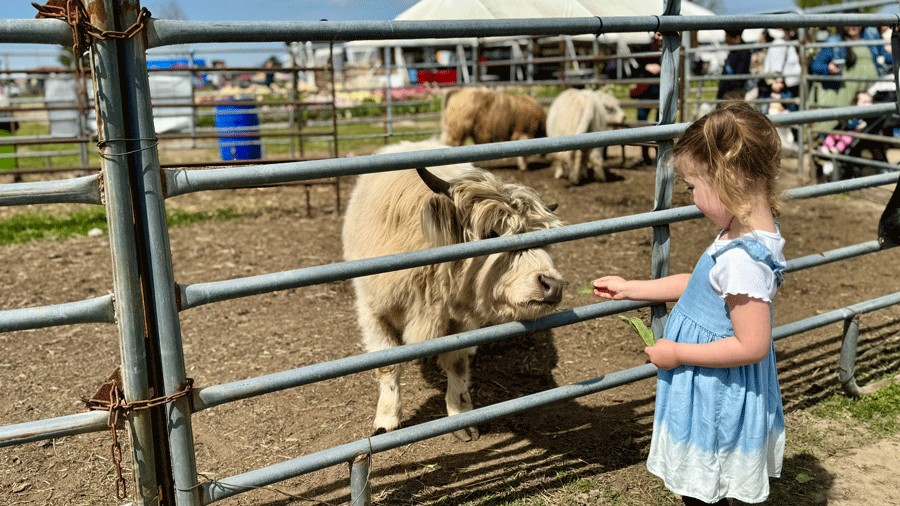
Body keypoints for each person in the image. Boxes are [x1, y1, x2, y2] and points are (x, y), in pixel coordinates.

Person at [593, 101, 786, 506]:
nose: (693, 199)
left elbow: (752, 345)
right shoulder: (742, 236)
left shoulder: (743, 259)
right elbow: (701, 286)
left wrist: (676, 352)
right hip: (710, 379)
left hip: (714, 390)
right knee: (707, 484)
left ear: (727, 176)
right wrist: (633, 288)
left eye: (694, 187)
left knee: (705, 486)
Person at [810, 25, 892, 130]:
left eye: (856, 23)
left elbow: (886, 56)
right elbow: (816, 65)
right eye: (849, 23)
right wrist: (828, 68)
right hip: (847, 89)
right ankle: (824, 139)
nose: (853, 27)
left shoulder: (870, 37)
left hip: (870, 90)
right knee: (839, 117)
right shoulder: (835, 42)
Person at [629, 31, 663, 167]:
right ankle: (645, 155)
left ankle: (659, 154)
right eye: (658, 35)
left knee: (661, 123)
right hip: (646, 92)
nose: (660, 38)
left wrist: (662, 67)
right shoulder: (645, 50)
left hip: (661, 92)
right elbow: (634, 69)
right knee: (642, 122)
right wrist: (646, 67)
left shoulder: (669, 49)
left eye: (662, 35)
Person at [717, 29, 753, 101]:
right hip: (726, 91)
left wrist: (729, 89)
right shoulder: (734, 51)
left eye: (727, 36)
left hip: (733, 93)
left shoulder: (744, 52)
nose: (725, 39)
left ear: (737, 38)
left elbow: (740, 75)